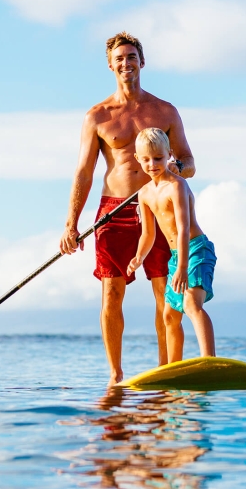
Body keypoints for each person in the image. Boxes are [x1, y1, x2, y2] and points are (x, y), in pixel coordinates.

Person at [60, 33, 196, 386]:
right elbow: (84, 171)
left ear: (142, 62)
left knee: (165, 289)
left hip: (158, 206)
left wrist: (176, 169)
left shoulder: (165, 111)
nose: (126, 63)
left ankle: (167, 369)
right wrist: (70, 224)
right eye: (119, 58)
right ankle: (116, 375)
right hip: (113, 211)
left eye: (131, 56)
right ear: (110, 65)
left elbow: (189, 161)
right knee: (112, 292)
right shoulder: (97, 116)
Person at [127, 128, 216, 363]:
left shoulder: (176, 186)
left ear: (170, 154)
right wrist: (138, 257)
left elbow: (184, 228)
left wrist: (182, 267)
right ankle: (173, 368)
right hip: (177, 256)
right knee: (168, 315)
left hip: (195, 250)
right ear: (137, 158)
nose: (152, 164)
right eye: (146, 159)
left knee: (190, 304)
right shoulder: (144, 194)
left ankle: (209, 360)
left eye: (158, 158)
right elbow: (148, 234)